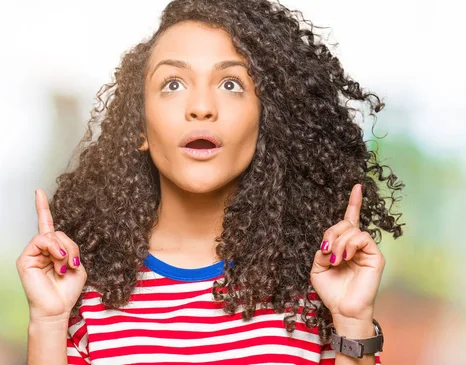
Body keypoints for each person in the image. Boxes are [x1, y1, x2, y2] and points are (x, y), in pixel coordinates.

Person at [16, 0, 404, 364]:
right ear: (140, 128)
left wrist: (352, 321)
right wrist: (48, 322)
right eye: (173, 84)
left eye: (231, 84)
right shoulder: (84, 296)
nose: (201, 107)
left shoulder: (316, 290)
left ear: (265, 120)